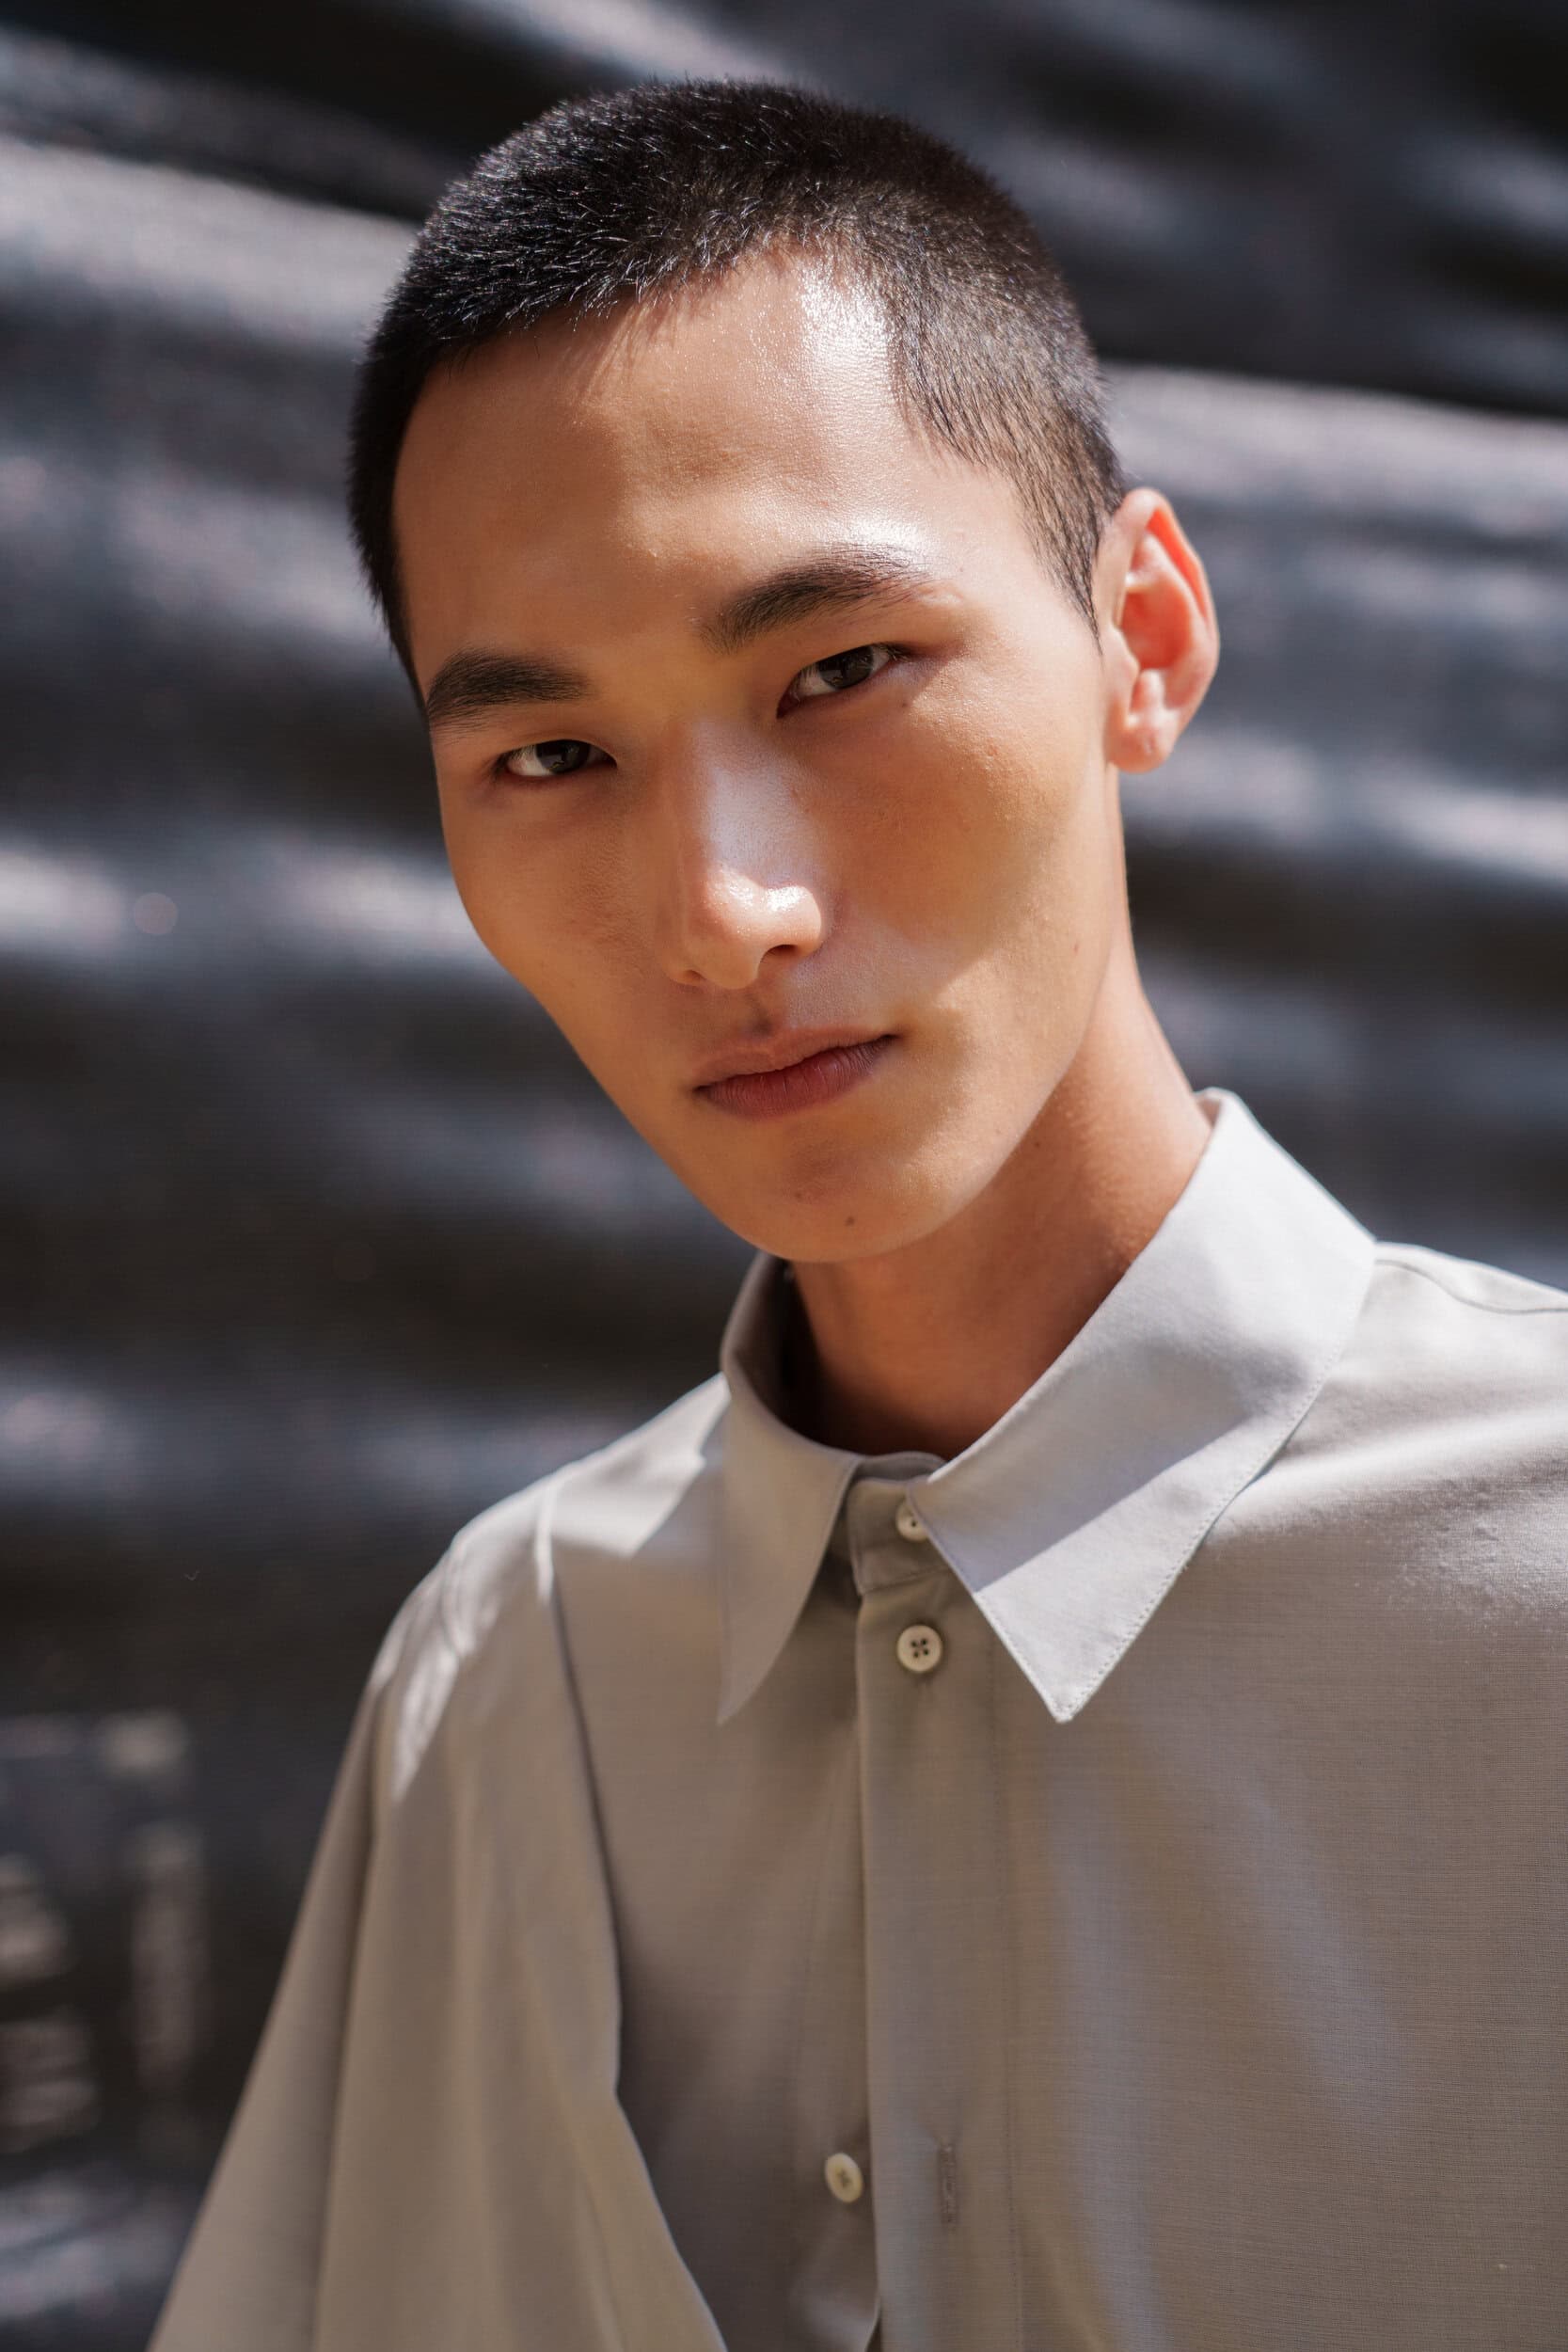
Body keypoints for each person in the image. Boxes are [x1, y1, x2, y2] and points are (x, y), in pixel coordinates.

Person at [150, 79, 1568, 2352]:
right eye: (547, 756)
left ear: (1145, 633)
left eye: (838, 672)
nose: (722, 909)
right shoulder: (505, 1678)